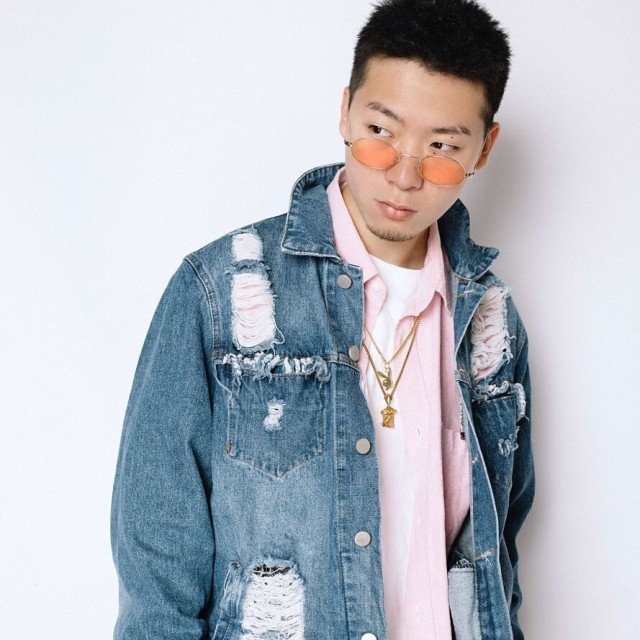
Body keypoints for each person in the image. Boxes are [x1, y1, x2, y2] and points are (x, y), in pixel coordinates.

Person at [111, 0, 534, 638]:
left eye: (442, 147)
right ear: (344, 111)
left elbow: (499, 551)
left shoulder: (490, 322)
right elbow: (156, 557)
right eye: (381, 131)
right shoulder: (219, 291)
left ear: (485, 148)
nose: (405, 174)